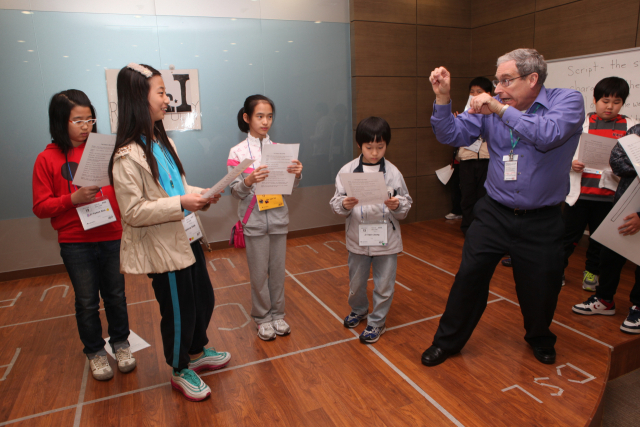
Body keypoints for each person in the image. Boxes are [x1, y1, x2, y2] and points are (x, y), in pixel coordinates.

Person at [421, 48, 585, 367]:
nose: (497, 89)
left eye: (506, 81)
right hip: (493, 213)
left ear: (532, 79)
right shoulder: (492, 106)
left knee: (542, 286)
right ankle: (447, 342)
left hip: (543, 218)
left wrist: (498, 108)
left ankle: (539, 337)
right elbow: (450, 134)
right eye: (497, 81)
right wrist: (442, 99)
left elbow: (546, 134)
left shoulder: (567, 101)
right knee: (469, 277)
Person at [109, 63, 230, 402]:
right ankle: (179, 369)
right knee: (179, 311)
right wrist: (182, 203)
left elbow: (178, 187)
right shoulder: (126, 156)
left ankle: (196, 351)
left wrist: (199, 196)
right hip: (163, 249)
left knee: (203, 298)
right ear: (138, 97)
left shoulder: (162, 141)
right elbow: (133, 212)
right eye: (160, 92)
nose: (167, 99)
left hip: (187, 238)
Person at [32, 89, 136, 382]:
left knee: (116, 295)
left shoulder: (105, 149)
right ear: (59, 122)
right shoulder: (46, 159)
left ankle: (121, 344)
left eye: (89, 119)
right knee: (87, 301)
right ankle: (95, 351)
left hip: (112, 234)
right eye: (77, 120)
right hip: (76, 242)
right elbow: (40, 207)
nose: (85, 126)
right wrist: (72, 199)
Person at [227, 95, 303, 341]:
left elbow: (288, 186)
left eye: (269, 116)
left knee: (278, 271)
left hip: (279, 218)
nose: (265, 121)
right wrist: (248, 181)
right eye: (259, 116)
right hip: (254, 220)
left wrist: (297, 174)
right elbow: (235, 191)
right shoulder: (237, 152)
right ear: (247, 118)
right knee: (259, 273)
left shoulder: (280, 151)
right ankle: (262, 318)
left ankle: (278, 315)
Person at [330, 117, 412, 343]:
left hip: (387, 239)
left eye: (380, 147)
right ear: (359, 145)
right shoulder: (347, 171)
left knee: (384, 285)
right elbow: (336, 203)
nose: (374, 153)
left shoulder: (393, 173)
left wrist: (398, 205)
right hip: (358, 239)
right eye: (369, 147)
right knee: (356, 284)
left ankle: (377, 322)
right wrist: (344, 205)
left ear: (386, 145)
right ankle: (359, 310)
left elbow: (406, 204)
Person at [563, 77, 636, 290]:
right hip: (580, 195)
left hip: (610, 197)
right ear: (594, 99)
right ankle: (558, 269)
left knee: (598, 242)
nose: (610, 106)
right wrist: (571, 164)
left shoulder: (630, 127)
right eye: (605, 100)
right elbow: (563, 154)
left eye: (616, 101)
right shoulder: (580, 124)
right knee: (567, 238)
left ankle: (591, 273)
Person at [572, 126, 640, 334]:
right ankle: (604, 300)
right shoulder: (636, 131)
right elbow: (617, 163)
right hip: (624, 206)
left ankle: (638, 308)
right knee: (609, 256)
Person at [458, 77, 492, 235]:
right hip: (467, 158)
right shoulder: (466, 114)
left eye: (479, 92)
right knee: (467, 195)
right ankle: (467, 228)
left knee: (483, 196)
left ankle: (482, 229)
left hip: (487, 158)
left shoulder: (494, 113)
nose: (474, 95)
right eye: (472, 92)